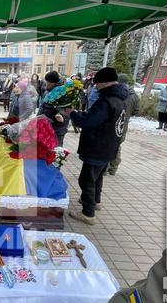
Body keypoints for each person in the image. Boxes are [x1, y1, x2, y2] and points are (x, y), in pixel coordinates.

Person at [65, 67, 128, 225]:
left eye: (97, 83)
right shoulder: (120, 98)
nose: (95, 86)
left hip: (98, 146)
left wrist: (72, 113)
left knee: (86, 179)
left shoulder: (106, 101)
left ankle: (88, 213)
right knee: (97, 176)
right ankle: (95, 201)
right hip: (109, 146)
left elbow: (89, 122)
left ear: (106, 83)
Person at [107, 73, 140, 176]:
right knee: (117, 146)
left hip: (112, 123)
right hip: (123, 124)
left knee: (107, 145)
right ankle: (113, 168)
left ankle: (104, 168)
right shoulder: (134, 95)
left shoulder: (116, 93)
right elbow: (136, 111)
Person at [38, 71, 70, 146]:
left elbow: (68, 109)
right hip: (46, 125)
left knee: (56, 149)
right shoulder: (47, 91)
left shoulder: (63, 92)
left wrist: (61, 114)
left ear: (53, 83)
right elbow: (42, 107)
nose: (46, 84)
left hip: (57, 128)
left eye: (48, 82)